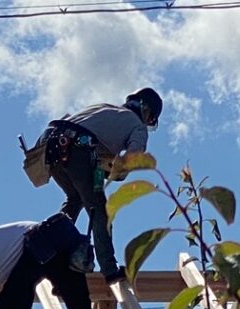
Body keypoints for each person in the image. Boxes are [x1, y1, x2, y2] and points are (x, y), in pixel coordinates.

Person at [23, 88, 162, 282]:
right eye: (150, 120)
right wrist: (118, 172)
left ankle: (53, 251)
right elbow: (132, 159)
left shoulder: (104, 108)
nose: (147, 124)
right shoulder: (136, 126)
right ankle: (110, 269)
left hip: (50, 148)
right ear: (146, 111)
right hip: (77, 148)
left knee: (75, 199)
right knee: (100, 212)